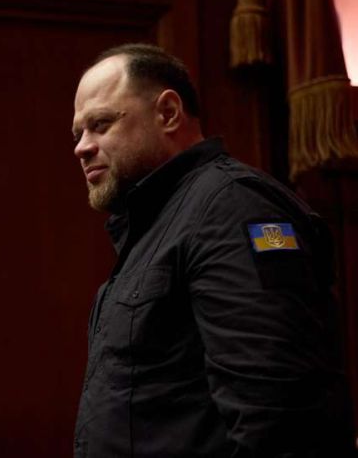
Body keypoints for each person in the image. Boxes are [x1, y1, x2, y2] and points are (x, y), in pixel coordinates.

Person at [71, 43, 355, 457]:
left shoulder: (233, 207)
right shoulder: (158, 224)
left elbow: (281, 417)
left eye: (100, 124)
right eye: (78, 133)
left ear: (168, 113)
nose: (81, 147)